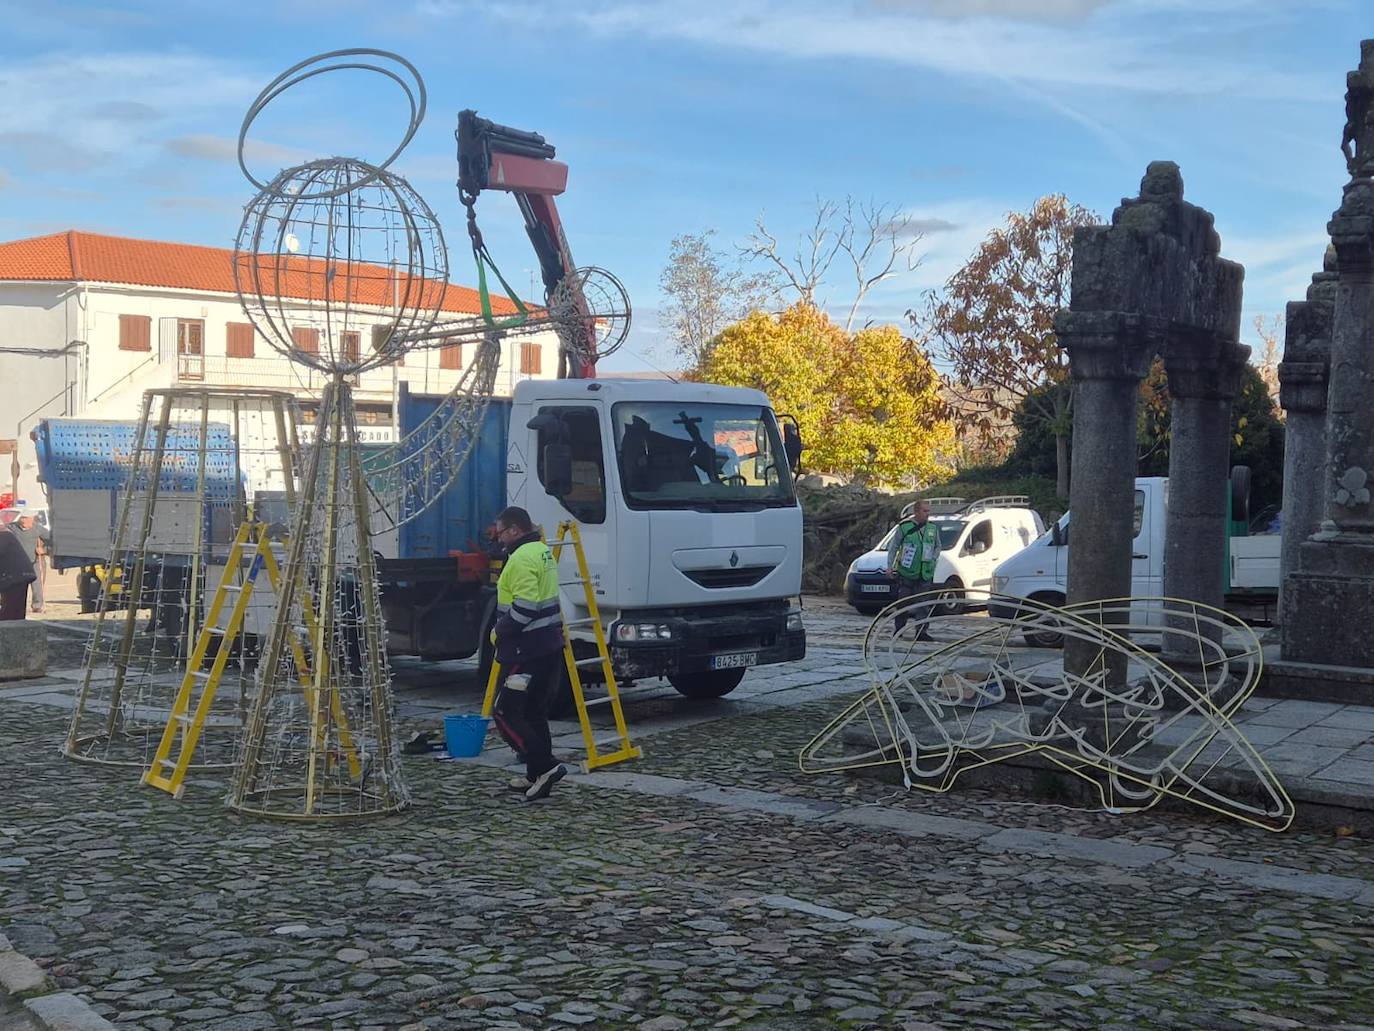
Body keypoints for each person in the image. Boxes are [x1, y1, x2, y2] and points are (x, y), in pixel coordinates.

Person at [489, 506, 568, 801]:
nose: (498, 539)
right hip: (547, 644)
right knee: (534, 711)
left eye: (500, 532)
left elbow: (525, 608)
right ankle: (536, 774)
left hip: (525, 650)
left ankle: (546, 767)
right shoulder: (540, 550)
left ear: (514, 530)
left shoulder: (521, 558)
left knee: (505, 711)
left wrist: (499, 632)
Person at [886, 499, 941, 639]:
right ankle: (899, 630)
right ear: (916, 512)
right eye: (925, 511)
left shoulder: (932, 528)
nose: (928, 514)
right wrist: (889, 567)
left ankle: (921, 632)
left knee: (924, 604)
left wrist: (933, 559)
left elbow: (938, 546)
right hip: (907, 572)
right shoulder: (904, 527)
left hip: (925, 573)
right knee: (903, 603)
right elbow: (893, 547)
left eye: (929, 511)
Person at [7, 514, 48, 614]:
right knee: (18, 586)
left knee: (37, 585)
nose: (30, 523)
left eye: (31, 520)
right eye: (26, 521)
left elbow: (52, 541)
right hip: (18, 562)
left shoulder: (38, 529)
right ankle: (17, 606)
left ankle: (37, 606)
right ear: (21, 519)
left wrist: (44, 550)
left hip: (35, 561)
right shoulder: (12, 528)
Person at [0, 529, 36, 621]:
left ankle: (12, 629)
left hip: (15, 576)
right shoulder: (6, 536)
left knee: (10, 609)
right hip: (18, 575)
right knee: (16, 609)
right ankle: (17, 627)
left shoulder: (4, 536)